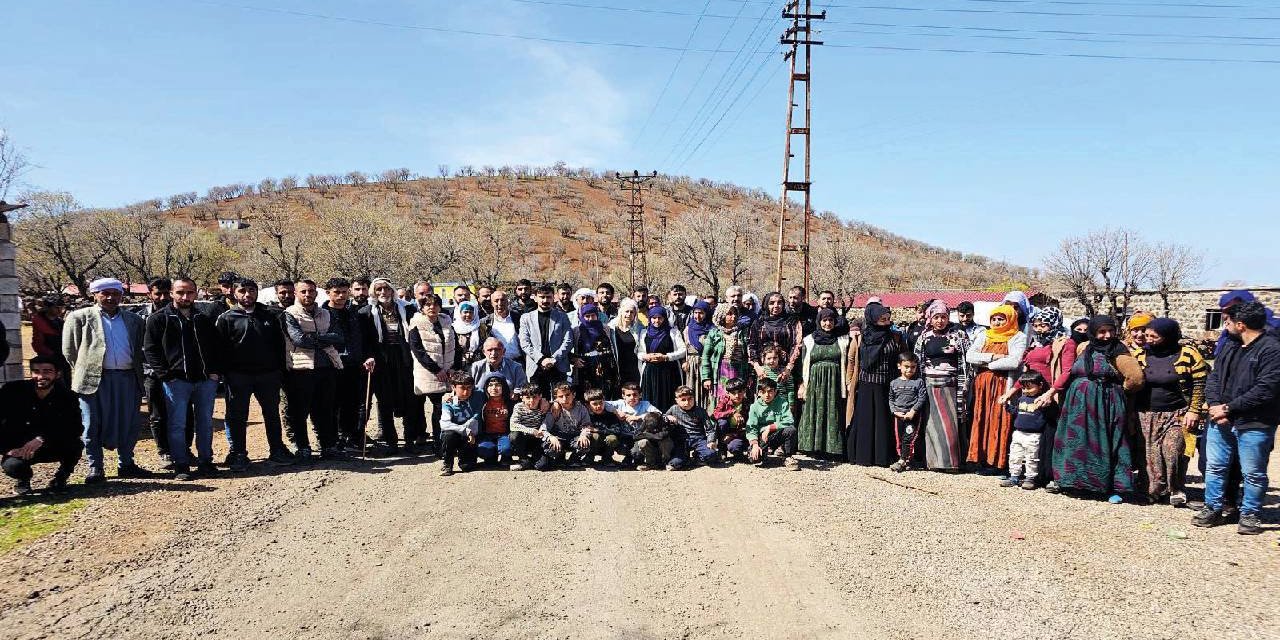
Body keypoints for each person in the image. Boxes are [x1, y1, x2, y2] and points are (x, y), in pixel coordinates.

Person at [1195, 301, 1280, 535]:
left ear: (1240, 325)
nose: (1225, 324)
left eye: (1228, 321)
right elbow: (1214, 378)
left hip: (1255, 422)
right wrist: (1214, 406)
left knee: (1253, 471)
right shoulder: (1230, 345)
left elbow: (1266, 389)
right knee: (1215, 466)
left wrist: (1229, 408)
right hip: (1219, 419)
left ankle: (1250, 513)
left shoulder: (1272, 350)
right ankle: (1212, 507)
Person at [63, 277, 153, 483]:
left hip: (128, 378)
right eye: (106, 293)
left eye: (116, 293)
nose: (111, 297)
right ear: (95, 294)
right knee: (92, 424)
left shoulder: (134, 320)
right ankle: (96, 467)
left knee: (128, 423)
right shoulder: (79, 317)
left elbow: (140, 348)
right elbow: (69, 351)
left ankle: (127, 464)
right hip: (93, 380)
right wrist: (86, 369)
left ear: (122, 295)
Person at [1051, 316, 1144, 503]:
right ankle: (1074, 481)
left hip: (1105, 403)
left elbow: (1136, 378)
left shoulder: (1119, 351)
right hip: (1078, 404)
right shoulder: (1084, 347)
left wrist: (1116, 391)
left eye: (1110, 331)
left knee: (1106, 441)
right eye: (1101, 332)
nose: (1107, 336)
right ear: (1093, 332)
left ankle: (1111, 486)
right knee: (1077, 442)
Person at [144, 277, 227, 480]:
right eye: (180, 292)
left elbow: (218, 346)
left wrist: (215, 372)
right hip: (176, 381)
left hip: (205, 380)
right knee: (176, 423)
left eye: (190, 292)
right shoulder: (159, 319)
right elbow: (151, 349)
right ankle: (181, 464)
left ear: (196, 293)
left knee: (205, 423)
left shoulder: (204, 318)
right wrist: (165, 375)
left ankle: (206, 461)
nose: (185, 296)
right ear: (172, 293)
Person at [215, 278, 293, 468]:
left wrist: (279, 371)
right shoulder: (226, 318)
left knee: (272, 414)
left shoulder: (270, 315)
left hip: (268, 375)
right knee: (237, 416)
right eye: (242, 291)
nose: (247, 294)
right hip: (238, 376)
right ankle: (238, 453)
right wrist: (224, 373)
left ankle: (277, 449)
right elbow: (220, 348)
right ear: (234, 293)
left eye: (251, 290)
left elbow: (279, 345)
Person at [1135, 318, 1208, 507]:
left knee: (1173, 450)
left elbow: (1200, 384)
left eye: (1154, 336)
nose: (1147, 339)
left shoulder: (1188, 354)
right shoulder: (1140, 355)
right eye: (1147, 335)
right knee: (1152, 457)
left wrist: (1194, 411)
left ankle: (1177, 489)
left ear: (1168, 337)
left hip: (1178, 413)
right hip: (1147, 414)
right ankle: (1156, 489)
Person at [281, 279, 346, 463]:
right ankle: (303, 448)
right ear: (296, 293)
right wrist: (323, 339)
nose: (307, 295)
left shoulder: (326, 313)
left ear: (316, 293)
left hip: (327, 367)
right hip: (301, 369)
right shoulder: (289, 314)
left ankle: (328, 446)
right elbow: (299, 340)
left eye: (311, 291)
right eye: (303, 291)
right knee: (299, 412)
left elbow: (339, 337)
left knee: (326, 410)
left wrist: (313, 338)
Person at [0, 356, 83, 495]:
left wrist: (41, 439)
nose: (40, 376)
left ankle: (61, 478)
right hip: (20, 448)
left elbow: (76, 428)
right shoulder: (12, 392)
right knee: (12, 466)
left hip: (51, 444)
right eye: (36, 371)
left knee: (75, 445)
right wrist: (7, 449)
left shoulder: (67, 397)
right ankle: (23, 479)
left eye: (47, 371)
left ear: (58, 374)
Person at [359, 277, 421, 455]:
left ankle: (410, 438)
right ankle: (390, 441)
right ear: (373, 292)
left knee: (410, 398)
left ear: (392, 290)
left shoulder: (407, 309)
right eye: (378, 290)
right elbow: (364, 340)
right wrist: (368, 356)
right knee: (385, 401)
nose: (383, 293)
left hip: (404, 359)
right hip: (381, 361)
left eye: (386, 289)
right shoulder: (367, 313)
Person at [965, 304, 1028, 473]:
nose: (997, 322)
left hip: (1002, 385)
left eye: (1001, 319)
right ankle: (981, 459)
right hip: (982, 386)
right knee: (982, 418)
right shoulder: (984, 335)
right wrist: (994, 356)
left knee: (999, 420)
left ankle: (997, 462)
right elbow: (970, 356)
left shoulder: (1018, 337)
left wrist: (988, 365)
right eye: (994, 319)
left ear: (1010, 319)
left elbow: (1015, 361)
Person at [913, 300, 972, 471]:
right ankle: (932, 463)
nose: (940, 321)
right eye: (936, 317)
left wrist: (965, 382)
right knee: (931, 425)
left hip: (951, 386)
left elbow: (966, 361)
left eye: (944, 317)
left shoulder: (958, 335)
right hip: (930, 385)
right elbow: (918, 360)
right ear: (930, 318)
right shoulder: (924, 337)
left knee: (950, 425)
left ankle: (950, 463)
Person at [138, 278, 191, 466]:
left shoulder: (181, 314)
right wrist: (160, 371)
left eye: (166, 293)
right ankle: (164, 451)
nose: (162, 297)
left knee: (184, 413)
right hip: (152, 373)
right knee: (158, 414)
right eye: (157, 293)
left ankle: (185, 448)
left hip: (178, 374)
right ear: (149, 294)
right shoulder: (141, 317)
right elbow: (144, 348)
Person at [847, 303, 904, 467]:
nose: (886, 323)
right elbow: (853, 360)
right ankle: (863, 456)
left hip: (887, 384)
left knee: (883, 421)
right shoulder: (863, 337)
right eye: (882, 320)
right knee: (866, 421)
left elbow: (900, 357)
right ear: (872, 319)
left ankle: (882, 457)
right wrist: (850, 381)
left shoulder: (894, 336)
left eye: (888, 319)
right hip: (867, 385)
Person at [322, 277, 369, 453]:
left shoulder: (355, 313)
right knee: (333, 405)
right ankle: (332, 441)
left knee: (352, 404)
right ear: (328, 293)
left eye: (344, 292)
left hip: (354, 364)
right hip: (331, 365)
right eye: (337, 292)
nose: (341, 296)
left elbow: (364, 338)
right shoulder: (322, 314)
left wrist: (367, 356)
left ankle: (349, 437)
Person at [409, 293, 456, 453]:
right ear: (421, 307)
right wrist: (436, 370)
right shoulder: (416, 324)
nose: (432, 307)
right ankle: (415, 439)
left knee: (440, 409)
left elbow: (454, 347)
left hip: (446, 371)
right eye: (427, 305)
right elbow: (418, 350)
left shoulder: (446, 322)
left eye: (435, 304)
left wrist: (450, 368)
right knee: (417, 408)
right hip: (426, 372)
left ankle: (440, 442)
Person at [1001, 371, 1051, 490]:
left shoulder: (1042, 401)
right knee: (1015, 455)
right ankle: (1014, 476)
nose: (1025, 391)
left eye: (1029, 388)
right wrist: (1007, 407)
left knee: (1031, 457)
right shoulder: (1021, 399)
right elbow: (1017, 412)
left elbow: (1048, 415)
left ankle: (1030, 478)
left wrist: (1046, 406)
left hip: (1033, 435)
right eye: (1023, 388)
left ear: (1040, 386)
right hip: (1018, 432)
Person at [748, 292, 802, 386]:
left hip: (786, 369)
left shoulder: (792, 321)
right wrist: (757, 367)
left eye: (779, 302)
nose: (776, 306)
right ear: (766, 305)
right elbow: (751, 345)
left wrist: (789, 367)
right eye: (772, 303)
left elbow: (797, 344)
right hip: (763, 369)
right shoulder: (759, 323)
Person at [438, 372, 487, 476]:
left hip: (472, 436)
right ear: (453, 387)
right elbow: (445, 424)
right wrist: (465, 430)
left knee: (467, 467)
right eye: (462, 388)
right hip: (457, 434)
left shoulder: (479, 395)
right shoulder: (448, 402)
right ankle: (447, 464)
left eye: (469, 388)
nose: (466, 392)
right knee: (448, 435)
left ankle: (466, 460)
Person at [639, 306, 686, 412]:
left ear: (664, 318)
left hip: (668, 371)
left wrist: (666, 357)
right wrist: (646, 356)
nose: (657, 321)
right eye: (654, 318)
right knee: (651, 398)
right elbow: (639, 351)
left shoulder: (673, 332)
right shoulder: (644, 333)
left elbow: (683, 350)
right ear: (650, 318)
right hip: (650, 372)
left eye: (660, 318)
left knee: (667, 397)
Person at [700, 305, 750, 405]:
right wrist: (706, 378)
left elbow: (748, 354)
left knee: (738, 398)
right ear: (722, 316)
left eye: (735, 313)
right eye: (729, 314)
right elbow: (706, 356)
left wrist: (750, 374)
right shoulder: (714, 333)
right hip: (721, 371)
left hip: (739, 370)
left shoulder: (742, 332)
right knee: (721, 400)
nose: (733, 316)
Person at [747, 377, 799, 470]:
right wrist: (754, 444)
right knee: (754, 459)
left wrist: (770, 427)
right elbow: (751, 427)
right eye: (763, 392)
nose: (767, 395)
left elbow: (789, 421)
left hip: (777, 434)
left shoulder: (782, 402)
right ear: (759, 393)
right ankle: (765, 453)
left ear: (775, 391)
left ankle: (787, 456)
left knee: (791, 430)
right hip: (761, 437)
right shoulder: (754, 407)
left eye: (770, 391)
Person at [539, 382, 592, 470]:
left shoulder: (581, 408)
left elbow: (587, 425)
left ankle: (574, 458)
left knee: (585, 444)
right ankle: (560, 457)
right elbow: (543, 429)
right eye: (560, 396)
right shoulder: (554, 408)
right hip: (559, 437)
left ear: (574, 395)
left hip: (574, 436)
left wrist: (584, 435)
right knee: (550, 447)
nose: (564, 399)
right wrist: (551, 437)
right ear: (556, 397)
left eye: (567, 395)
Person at [888, 353, 927, 473]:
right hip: (899, 416)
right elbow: (891, 399)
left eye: (913, 367)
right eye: (907, 366)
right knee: (899, 438)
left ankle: (903, 461)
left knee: (909, 438)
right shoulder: (894, 383)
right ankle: (903, 459)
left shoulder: (918, 382)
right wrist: (895, 411)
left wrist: (913, 411)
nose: (910, 370)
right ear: (899, 366)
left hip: (912, 416)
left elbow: (922, 397)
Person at [570, 303, 618, 399]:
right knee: (587, 397)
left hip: (606, 370)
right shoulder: (576, 331)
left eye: (593, 315)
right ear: (582, 317)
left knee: (604, 397)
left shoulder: (606, 329)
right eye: (587, 316)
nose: (591, 318)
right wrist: (573, 359)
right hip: (584, 369)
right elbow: (568, 349)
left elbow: (613, 347)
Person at [665, 385, 718, 468]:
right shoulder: (673, 409)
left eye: (690, 399)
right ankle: (684, 457)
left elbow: (710, 429)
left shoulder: (700, 411)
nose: (687, 402)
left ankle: (697, 457)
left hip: (699, 439)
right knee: (675, 464)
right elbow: (663, 417)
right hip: (681, 440)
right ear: (677, 401)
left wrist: (711, 441)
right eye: (683, 400)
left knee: (712, 455)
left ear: (694, 398)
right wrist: (668, 417)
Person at [508, 384, 553, 471]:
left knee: (542, 466)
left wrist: (542, 431)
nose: (531, 401)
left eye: (535, 397)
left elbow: (547, 422)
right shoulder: (519, 407)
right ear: (522, 397)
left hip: (538, 439)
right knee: (514, 435)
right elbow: (513, 424)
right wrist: (531, 431)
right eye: (528, 397)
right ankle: (523, 458)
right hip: (523, 438)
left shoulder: (543, 407)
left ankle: (529, 462)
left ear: (540, 396)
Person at [474, 374, 516, 466]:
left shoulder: (509, 401)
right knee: (483, 450)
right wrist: (451, 394)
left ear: (503, 387)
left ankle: (506, 456)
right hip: (487, 434)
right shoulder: (482, 400)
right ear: (486, 387)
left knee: (506, 448)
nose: (494, 388)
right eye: (490, 385)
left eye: (498, 385)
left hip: (504, 434)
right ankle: (491, 456)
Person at [682, 300, 715, 410]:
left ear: (707, 314)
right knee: (692, 390)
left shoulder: (712, 330)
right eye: (695, 312)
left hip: (707, 363)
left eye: (701, 313)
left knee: (708, 392)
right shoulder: (688, 329)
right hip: (692, 364)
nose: (698, 316)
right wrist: (684, 361)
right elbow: (685, 348)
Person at [583, 388, 628, 466]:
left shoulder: (610, 415)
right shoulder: (587, 415)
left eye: (601, 403)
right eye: (595, 404)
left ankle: (607, 458)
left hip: (607, 445)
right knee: (594, 436)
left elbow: (617, 431)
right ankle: (589, 457)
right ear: (588, 405)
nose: (599, 406)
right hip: (594, 445)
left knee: (612, 438)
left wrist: (598, 430)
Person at [712, 377, 750, 463]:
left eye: (740, 392)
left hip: (739, 433)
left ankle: (740, 453)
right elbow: (714, 415)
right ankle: (722, 450)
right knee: (722, 422)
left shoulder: (747, 404)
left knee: (734, 447)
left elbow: (749, 425)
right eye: (733, 393)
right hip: (725, 430)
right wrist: (732, 412)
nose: (737, 395)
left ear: (744, 391)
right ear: (728, 393)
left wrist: (733, 435)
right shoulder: (724, 401)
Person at [29, 295, 67, 378]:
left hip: (62, 359)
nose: (60, 310)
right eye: (56, 307)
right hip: (48, 359)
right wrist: (51, 355)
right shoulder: (40, 321)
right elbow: (38, 344)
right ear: (48, 307)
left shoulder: (60, 321)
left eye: (61, 307)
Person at [478, 288, 522, 360]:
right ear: (492, 303)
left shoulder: (519, 318)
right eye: (496, 301)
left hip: (518, 362)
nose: (500, 303)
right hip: (496, 363)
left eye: (502, 300)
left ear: (508, 302)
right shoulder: (484, 323)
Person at [608, 298, 643, 387]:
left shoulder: (639, 329)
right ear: (621, 312)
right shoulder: (611, 328)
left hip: (633, 367)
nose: (629, 314)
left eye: (632, 312)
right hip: (616, 367)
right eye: (626, 311)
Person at [452, 300, 485, 367]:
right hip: (458, 363)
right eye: (465, 312)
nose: (468, 315)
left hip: (478, 363)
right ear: (460, 313)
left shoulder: (481, 327)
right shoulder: (453, 328)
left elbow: (485, 344)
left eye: (471, 312)